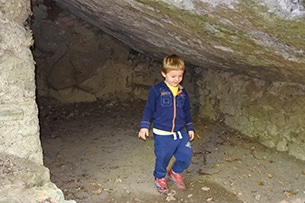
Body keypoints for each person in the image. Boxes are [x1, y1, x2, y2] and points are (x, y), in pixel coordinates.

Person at [138, 54, 195, 194]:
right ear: (164, 74)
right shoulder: (157, 90)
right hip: (163, 134)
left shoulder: (182, 92)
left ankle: (175, 172)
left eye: (180, 76)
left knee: (186, 155)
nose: (177, 79)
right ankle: (159, 177)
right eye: (173, 76)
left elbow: (186, 111)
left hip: (179, 132)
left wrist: (190, 127)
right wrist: (144, 126)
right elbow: (149, 109)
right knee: (162, 158)